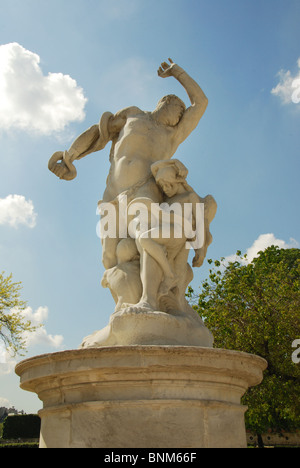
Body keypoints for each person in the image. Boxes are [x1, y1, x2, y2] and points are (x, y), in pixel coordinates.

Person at [48, 59, 208, 270]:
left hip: (143, 191)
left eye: (182, 115)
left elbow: (200, 103)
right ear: (165, 103)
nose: (180, 117)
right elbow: (99, 132)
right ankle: (128, 300)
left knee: (145, 244)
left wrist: (176, 72)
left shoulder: (173, 135)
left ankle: (153, 296)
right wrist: (69, 157)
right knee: (109, 259)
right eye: (179, 110)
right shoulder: (133, 114)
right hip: (112, 193)